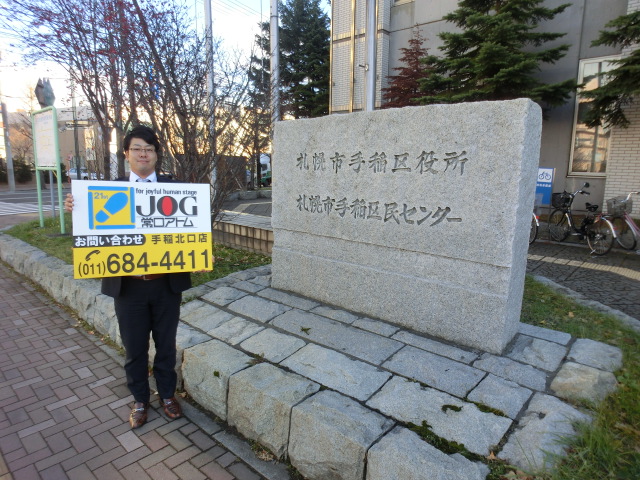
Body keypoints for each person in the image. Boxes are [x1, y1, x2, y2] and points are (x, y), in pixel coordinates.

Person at [65, 126, 190, 429]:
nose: (143, 153)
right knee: (134, 348)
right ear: (126, 154)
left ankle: (168, 395)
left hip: (165, 285)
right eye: (137, 148)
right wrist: (75, 207)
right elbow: (92, 230)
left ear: (157, 154)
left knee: (167, 345)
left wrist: (195, 255)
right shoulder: (109, 191)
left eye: (149, 148)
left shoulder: (175, 189)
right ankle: (140, 399)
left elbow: (188, 233)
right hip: (128, 287)